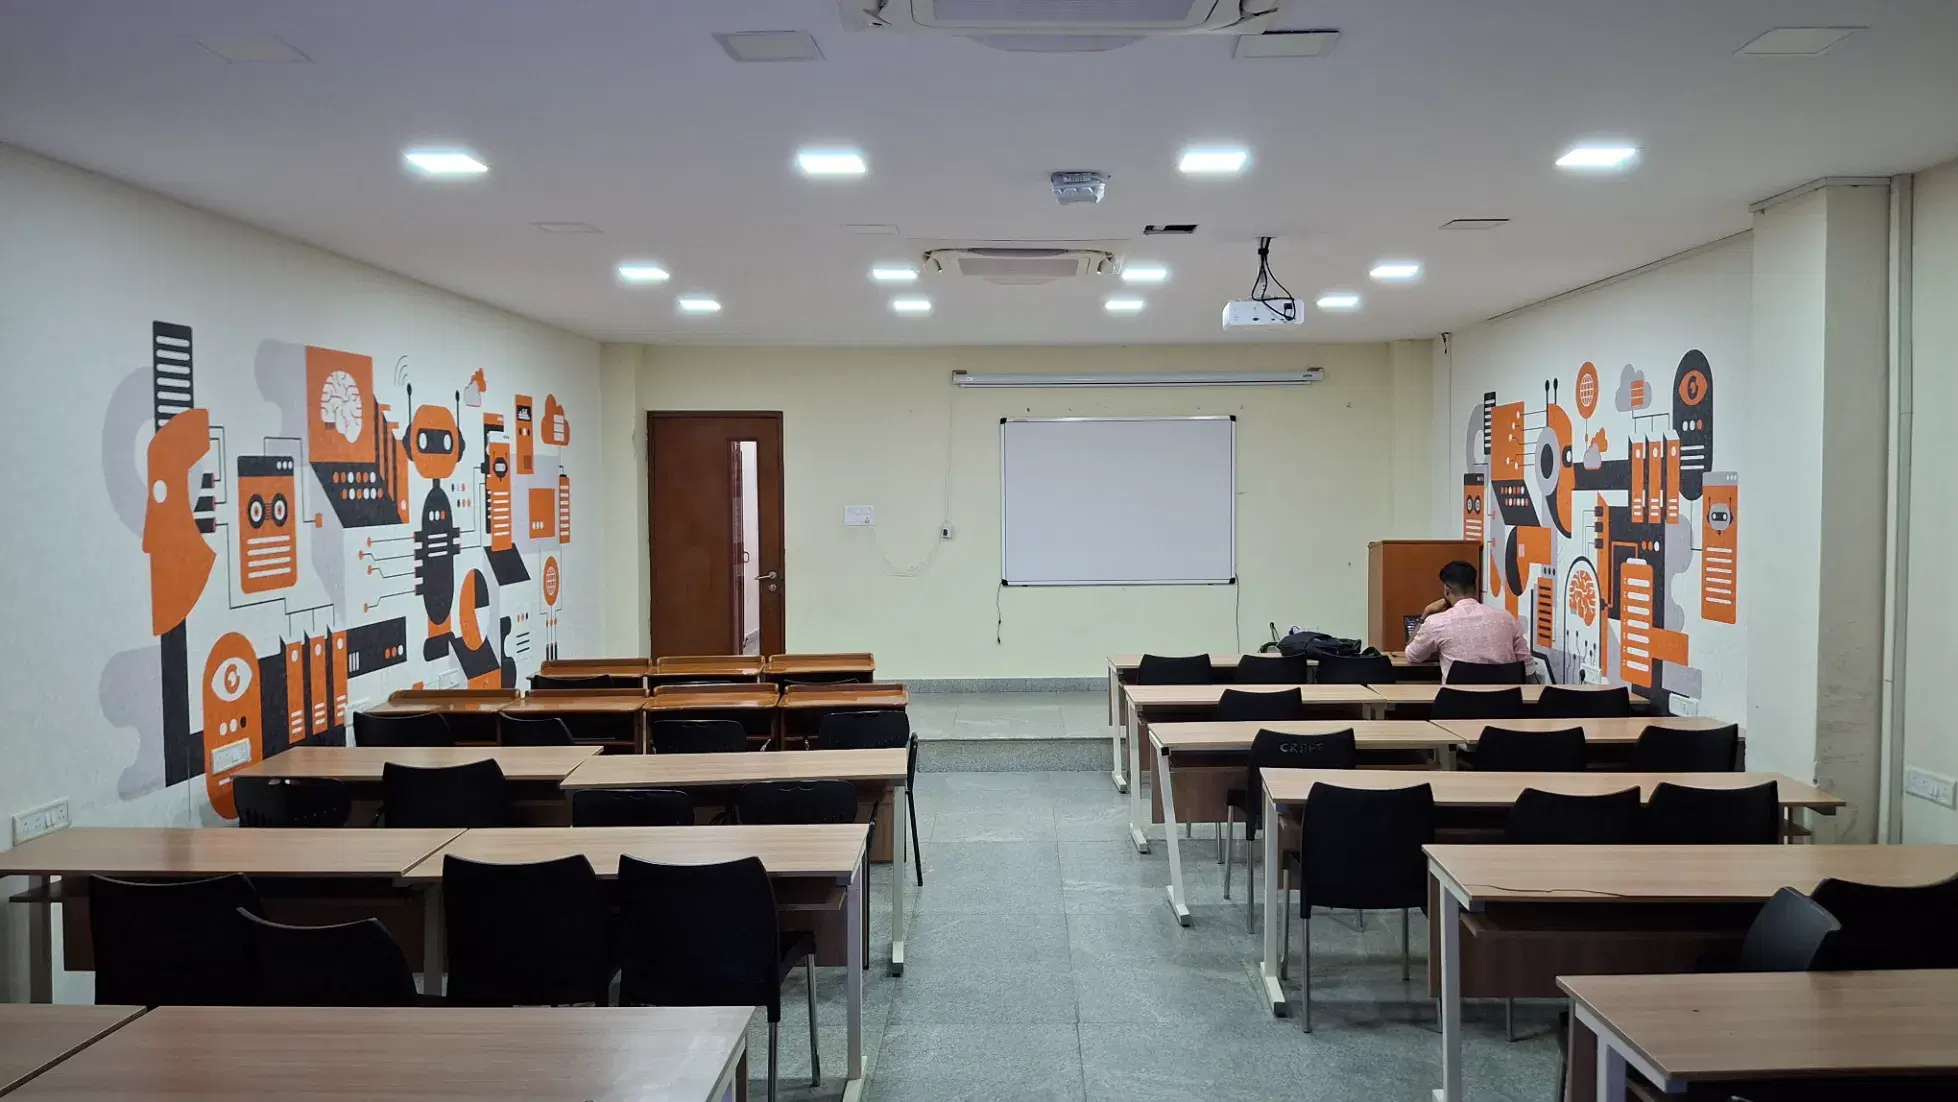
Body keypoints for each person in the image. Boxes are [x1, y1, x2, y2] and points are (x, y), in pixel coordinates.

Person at [1403, 560, 1530, 680]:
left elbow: (1412, 655)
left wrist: (1425, 614)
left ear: (1447, 590)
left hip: (1458, 701)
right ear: (1475, 588)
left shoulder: (1436, 622)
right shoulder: (1507, 618)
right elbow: (1527, 666)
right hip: (1506, 701)